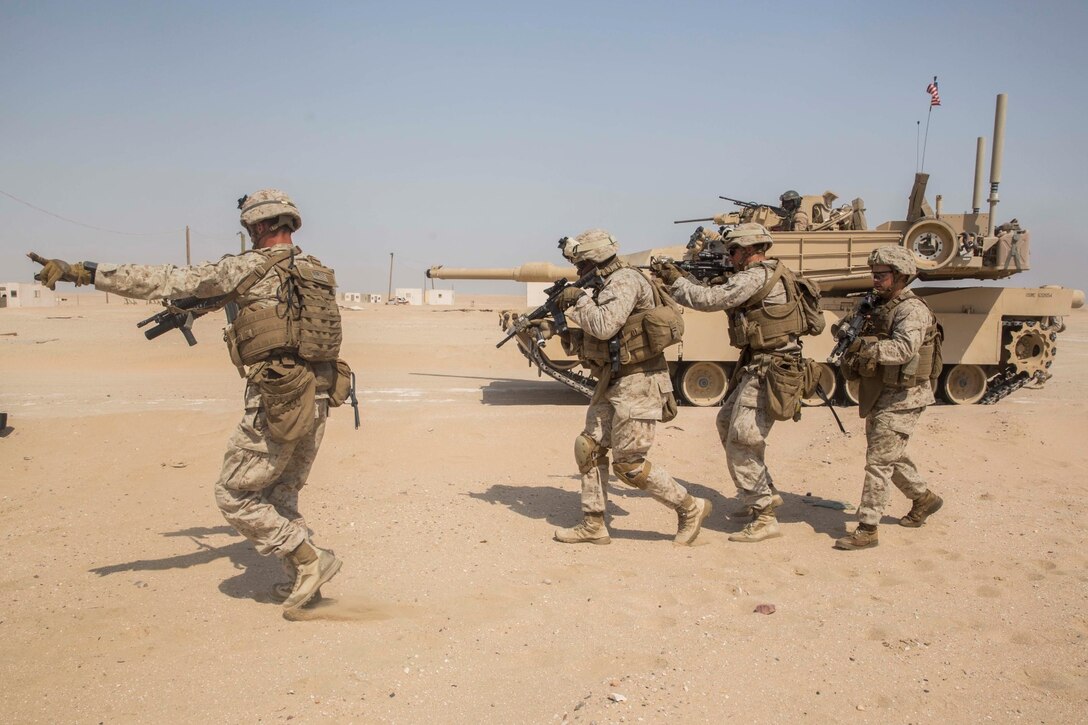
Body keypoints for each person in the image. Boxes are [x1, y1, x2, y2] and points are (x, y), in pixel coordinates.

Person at [29, 189, 351, 611]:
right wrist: (198, 309)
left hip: (277, 396)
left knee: (234, 494)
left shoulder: (246, 266)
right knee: (282, 494)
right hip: (322, 391)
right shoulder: (315, 270)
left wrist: (85, 273)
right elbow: (273, 309)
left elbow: (165, 280)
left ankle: (311, 560)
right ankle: (306, 584)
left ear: (258, 225)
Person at [535, 229, 712, 546]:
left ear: (593, 261)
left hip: (640, 381)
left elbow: (604, 325)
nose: (577, 271)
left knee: (629, 465)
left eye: (580, 264)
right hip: (613, 378)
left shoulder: (625, 281)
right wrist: (557, 328)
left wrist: (579, 299)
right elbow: (604, 339)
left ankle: (690, 508)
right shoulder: (605, 284)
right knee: (589, 447)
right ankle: (593, 524)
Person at [652, 223, 815, 543]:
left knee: (742, 439)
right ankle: (763, 491)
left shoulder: (755, 276)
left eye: (734, 251)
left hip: (771, 368)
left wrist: (674, 279)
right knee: (727, 422)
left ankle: (764, 514)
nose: (731, 257)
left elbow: (709, 300)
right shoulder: (765, 273)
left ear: (749, 250)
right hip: (759, 364)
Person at [834, 246, 943, 550]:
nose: (875, 280)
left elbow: (903, 350)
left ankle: (868, 528)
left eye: (881, 276)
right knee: (890, 455)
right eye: (874, 275)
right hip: (881, 391)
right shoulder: (876, 305)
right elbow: (848, 332)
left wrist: (864, 348)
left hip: (905, 396)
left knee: (879, 461)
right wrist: (848, 333)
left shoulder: (912, 310)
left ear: (900, 276)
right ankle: (924, 499)